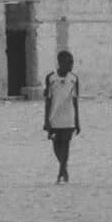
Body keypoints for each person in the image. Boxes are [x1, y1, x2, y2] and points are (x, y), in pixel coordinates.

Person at [41, 49, 81, 184]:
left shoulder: (74, 79)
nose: (71, 65)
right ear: (60, 63)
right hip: (54, 117)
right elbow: (48, 100)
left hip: (68, 118)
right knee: (56, 145)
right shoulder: (51, 78)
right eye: (69, 63)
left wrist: (77, 121)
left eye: (72, 63)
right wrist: (46, 120)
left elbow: (75, 101)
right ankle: (63, 168)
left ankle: (61, 172)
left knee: (66, 145)